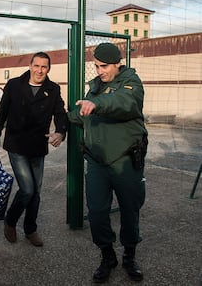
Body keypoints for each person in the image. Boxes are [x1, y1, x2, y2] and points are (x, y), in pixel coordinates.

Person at [67, 42, 148, 283]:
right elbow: (79, 116)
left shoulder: (131, 83)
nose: (99, 71)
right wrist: (61, 127)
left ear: (118, 64)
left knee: (130, 212)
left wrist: (98, 104)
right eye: (96, 66)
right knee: (97, 213)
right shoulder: (94, 88)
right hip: (98, 163)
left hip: (125, 162)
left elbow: (124, 103)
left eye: (104, 66)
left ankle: (130, 256)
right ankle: (108, 255)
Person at [0, 51, 69, 247]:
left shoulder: (53, 89)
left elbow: (60, 113)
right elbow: (2, 112)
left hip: (38, 146)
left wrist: (60, 132)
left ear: (48, 69)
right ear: (30, 66)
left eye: (44, 67)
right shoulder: (15, 85)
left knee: (36, 192)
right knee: (27, 189)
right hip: (16, 145)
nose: (40, 70)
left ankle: (30, 229)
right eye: (37, 66)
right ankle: (10, 220)